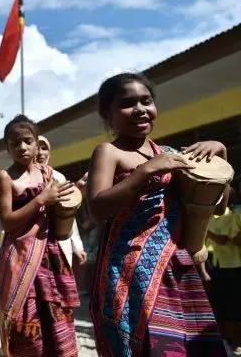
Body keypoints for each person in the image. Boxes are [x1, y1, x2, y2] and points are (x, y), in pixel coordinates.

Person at [87, 72, 227, 356]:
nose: (140, 109)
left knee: (187, 345)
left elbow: (219, 205)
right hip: (128, 270)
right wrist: (146, 171)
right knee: (148, 345)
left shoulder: (171, 153)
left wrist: (220, 155)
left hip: (176, 265)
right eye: (127, 103)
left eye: (146, 101)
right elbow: (97, 208)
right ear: (108, 114)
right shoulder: (109, 152)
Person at [0, 115, 79, 357]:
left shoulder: (48, 174)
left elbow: (60, 212)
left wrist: (76, 192)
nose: (22, 147)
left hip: (50, 256)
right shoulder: (5, 177)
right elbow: (8, 221)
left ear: (36, 143)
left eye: (27, 141)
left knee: (55, 317)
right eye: (14, 143)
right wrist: (41, 199)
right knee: (26, 320)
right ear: (7, 147)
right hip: (21, 257)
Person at [36, 135, 87, 270]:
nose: (40, 153)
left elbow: (68, 212)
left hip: (58, 241)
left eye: (44, 148)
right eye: (36, 148)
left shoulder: (58, 177)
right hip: (33, 242)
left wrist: (77, 245)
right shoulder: (22, 178)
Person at [206, 183, 241, 349]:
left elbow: (226, 239)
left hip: (232, 266)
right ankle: (226, 342)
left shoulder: (233, 215)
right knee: (219, 305)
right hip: (214, 265)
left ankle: (235, 343)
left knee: (233, 306)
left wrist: (206, 231)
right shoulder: (208, 217)